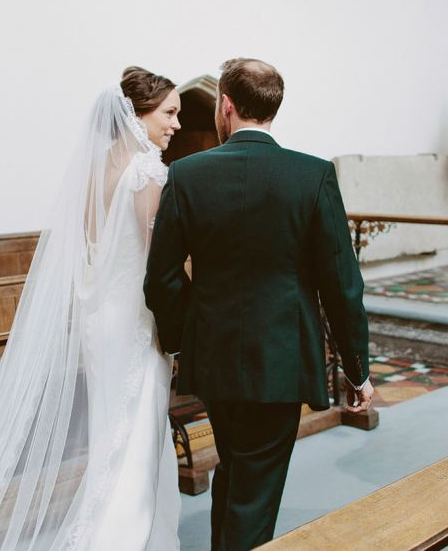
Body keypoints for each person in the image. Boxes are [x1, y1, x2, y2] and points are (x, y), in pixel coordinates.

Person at [0, 67, 183, 550]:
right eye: (169, 113)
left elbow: (97, 253)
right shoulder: (146, 171)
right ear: (137, 116)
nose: (175, 124)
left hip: (103, 322)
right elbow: (157, 263)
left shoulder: (95, 173)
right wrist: (176, 326)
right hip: (137, 323)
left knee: (111, 437)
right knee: (135, 440)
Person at [144, 58, 373, 551]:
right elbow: (342, 284)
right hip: (281, 359)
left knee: (238, 470)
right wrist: (358, 369)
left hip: (214, 361)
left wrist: (187, 338)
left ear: (225, 106)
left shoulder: (185, 175)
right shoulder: (313, 176)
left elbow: (160, 280)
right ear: (273, 107)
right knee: (255, 489)